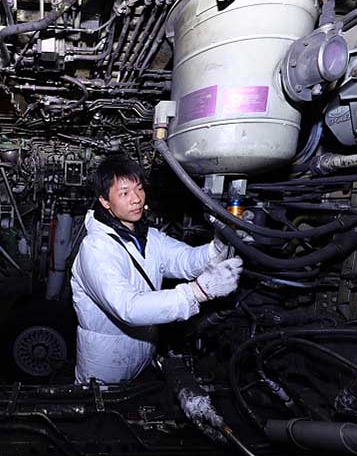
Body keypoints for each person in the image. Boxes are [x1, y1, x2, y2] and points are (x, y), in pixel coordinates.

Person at [71, 156, 243, 384]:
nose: (136, 199)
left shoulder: (148, 236)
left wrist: (217, 247)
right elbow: (128, 308)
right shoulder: (96, 248)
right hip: (105, 369)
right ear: (104, 201)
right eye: (124, 193)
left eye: (139, 189)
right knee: (104, 419)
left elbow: (185, 260)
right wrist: (198, 292)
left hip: (142, 357)